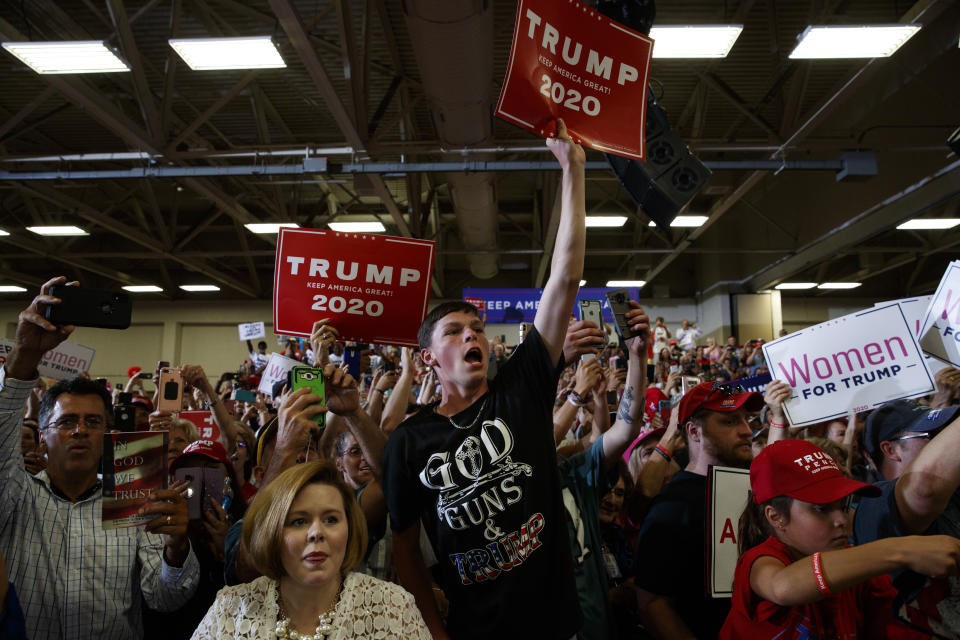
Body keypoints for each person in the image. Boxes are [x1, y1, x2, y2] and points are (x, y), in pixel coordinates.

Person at [381, 119, 586, 640]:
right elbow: (402, 546)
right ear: (428, 358)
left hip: (555, 625)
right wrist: (433, 629)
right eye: (454, 331)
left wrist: (574, 170)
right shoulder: (410, 441)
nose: (473, 335)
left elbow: (563, 277)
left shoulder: (523, 387)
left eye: (478, 327)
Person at [0, 276, 199, 639]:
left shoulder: (134, 497)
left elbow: (165, 600)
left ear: (108, 438)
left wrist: (176, 548)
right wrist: (24, 355)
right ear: (41, 439)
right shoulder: (15, 494)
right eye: (66, 422)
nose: (80, 431)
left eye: (92, 422)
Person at [722, 438, 960, 639]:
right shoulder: (759, 562)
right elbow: (784, 586)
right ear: (776, 517)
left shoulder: (856, 574)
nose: (841, 520)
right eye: (821, 509)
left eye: (842, 506)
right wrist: (902, 550)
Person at [192, 460, 430, 639]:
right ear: (271, 533)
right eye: (299, 521)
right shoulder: (231, 609)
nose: (317, 532)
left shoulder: (392, 607)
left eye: (331, 520)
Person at [634, 380, 765, 639]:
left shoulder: (758, 491)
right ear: (694, 432)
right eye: (729, 422)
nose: (747, 431)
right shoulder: (672, 507)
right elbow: (652, 604)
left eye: (746, 419)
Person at [852, 400, 960, 636]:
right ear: (890, 450)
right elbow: (924, 488)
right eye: (931, 435)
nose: (942, 442)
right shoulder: (871, 502)